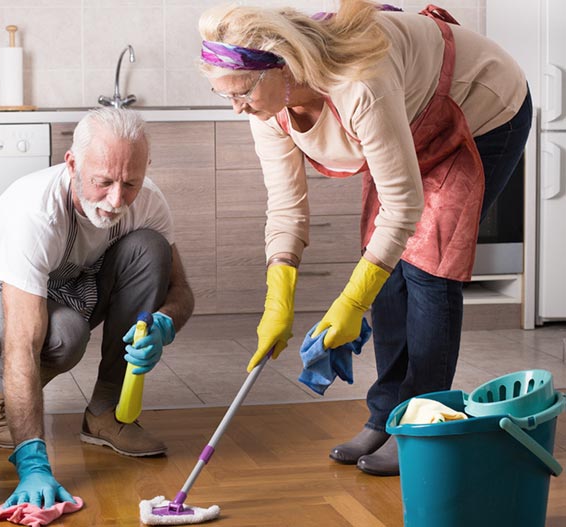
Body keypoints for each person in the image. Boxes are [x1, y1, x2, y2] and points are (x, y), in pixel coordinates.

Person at [198, 1, 531, 476]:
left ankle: (420, 425)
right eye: (223, 95)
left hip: (481, 110)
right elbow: (286, 206)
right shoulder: (267, 105)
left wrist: (350, 304)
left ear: (284, 66)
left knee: (427, 268)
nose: (236, 107)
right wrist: (279, 298)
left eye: (242, 92)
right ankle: (385, 415)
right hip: (412, 119)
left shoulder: (358, 83)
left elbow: (402, 210)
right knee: (386, 270)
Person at [0, 107, 195, 507]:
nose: (116, 200)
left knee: (149, 248)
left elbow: (181, 291)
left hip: (61, 289)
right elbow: (25, 340)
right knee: (63, 336)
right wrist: (32, 463)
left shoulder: (147, 202)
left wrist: (165, 320)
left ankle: (105, 415)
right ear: (73, 164)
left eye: (130, 183)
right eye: (103, 182)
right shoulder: (37, 213)